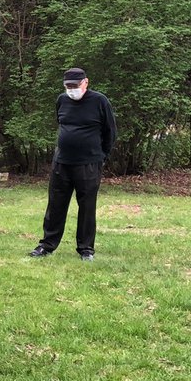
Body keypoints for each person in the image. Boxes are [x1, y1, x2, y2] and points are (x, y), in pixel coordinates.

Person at [29, 67, 117, 261]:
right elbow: (60, 123)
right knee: (55, 205)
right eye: (68, 86)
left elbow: (110, 132)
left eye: (75, 86)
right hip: (62, 163)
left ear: (86, 82)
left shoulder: (99, 101)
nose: (71, 90)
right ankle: (47, 245)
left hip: (88, 164)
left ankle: (86, 249)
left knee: (87, 207)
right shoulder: (62, 100)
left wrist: (101, 155)